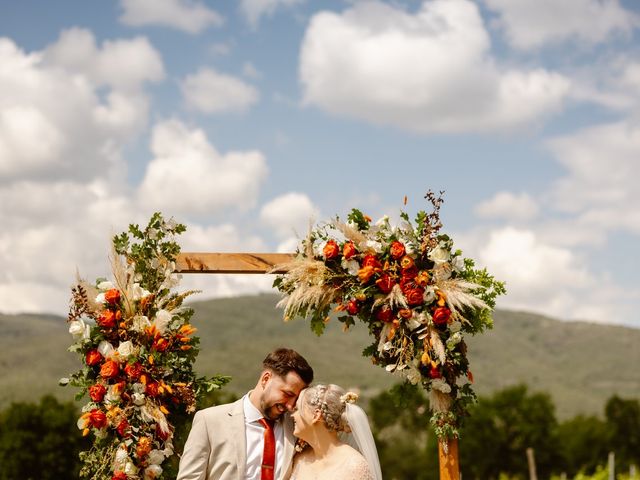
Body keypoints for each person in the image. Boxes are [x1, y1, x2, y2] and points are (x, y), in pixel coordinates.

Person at [177, 348, 314, 480]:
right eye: (287, 394)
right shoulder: (209, 421)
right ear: (266, 379)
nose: (290, 405)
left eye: (295, 398)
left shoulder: (298, 427)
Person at [288, 384, 382, 480]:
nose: (292, 415)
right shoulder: (299, 459)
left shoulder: (353, 466)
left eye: (297, 409)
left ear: (316, 415)